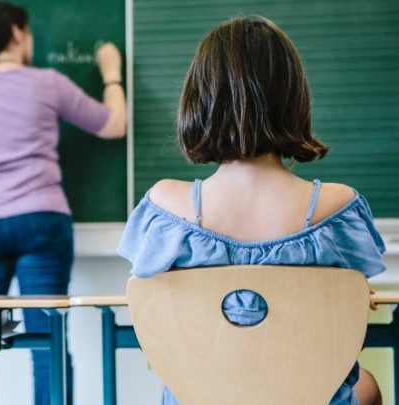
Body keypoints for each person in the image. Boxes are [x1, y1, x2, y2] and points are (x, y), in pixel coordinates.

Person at [117, 16, 384, 405]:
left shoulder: (165, 210)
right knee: (368, 387)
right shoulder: (336, 210)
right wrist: (349, 296)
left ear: (199, 100)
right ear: (294, 100)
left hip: (202, 399)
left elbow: (150, 305)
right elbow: (349, 315)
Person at [0, 2, 126, 403]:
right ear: (17, 34)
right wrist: (111, 74)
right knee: (48, 340)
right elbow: (114, 124)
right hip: (41, 219)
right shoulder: (48, 83)